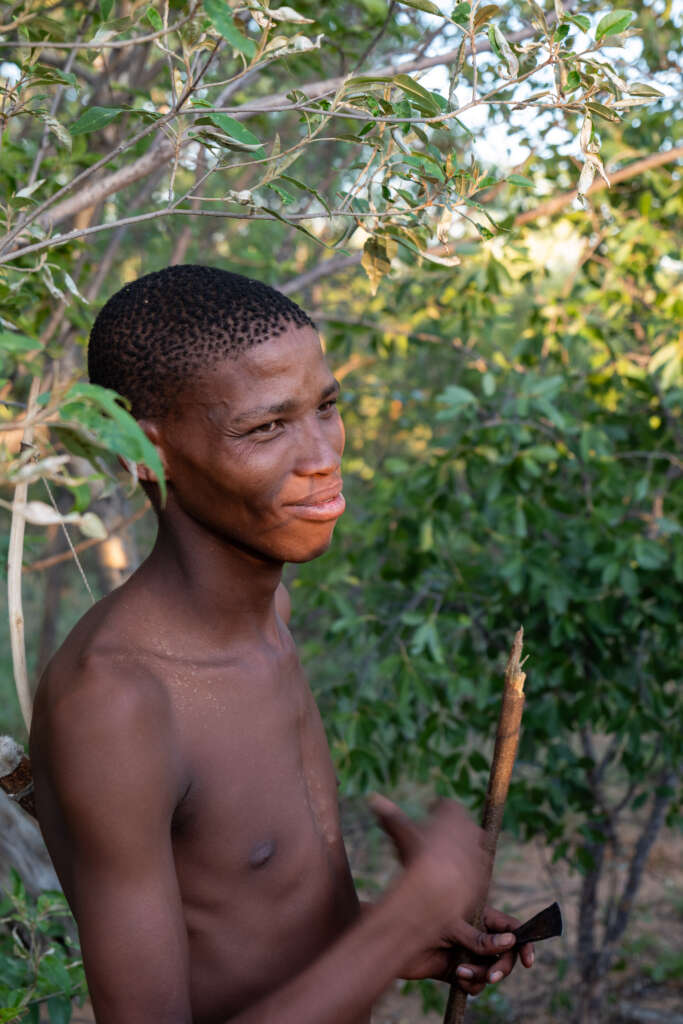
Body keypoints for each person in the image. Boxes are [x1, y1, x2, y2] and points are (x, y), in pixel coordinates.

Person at [29, 265, 534, 1024]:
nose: (322, 456)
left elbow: (239, 920)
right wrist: (399, 921)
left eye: (326, 407)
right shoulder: (117, 705)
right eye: (266, 428)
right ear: (145, 451)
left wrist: (395, 939)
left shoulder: (270, 615)